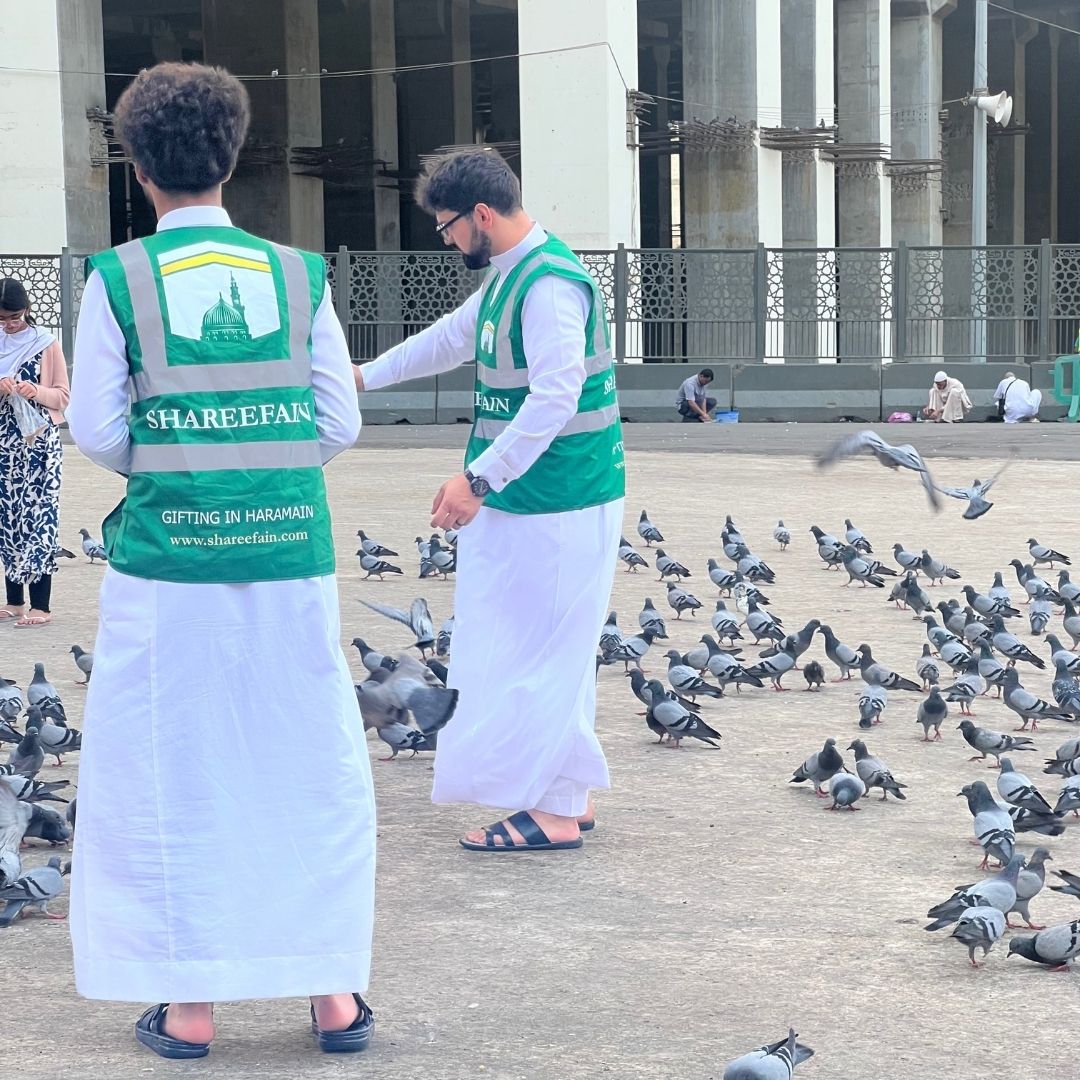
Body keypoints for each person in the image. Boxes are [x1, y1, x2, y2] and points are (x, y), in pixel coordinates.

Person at [66, 62, 375, 1060]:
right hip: (291, 558)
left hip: (168, 568)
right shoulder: (298, 275)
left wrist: (188, 457)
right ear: (231, 158)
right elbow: (337, 419)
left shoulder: (118, 280)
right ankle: (333, 995)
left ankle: (190, 1006)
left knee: (173, 772)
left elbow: (100, 432)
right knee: (306, 765)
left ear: (139, 169)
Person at [355, 148, 624, 852]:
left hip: (561, 498)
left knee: (538, 654)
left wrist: (478, 480)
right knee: (537, 648)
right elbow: (450, 340)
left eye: (448, 228)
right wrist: (363, 378)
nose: (446, 241)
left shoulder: (549, 286)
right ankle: (568, 794)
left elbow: (557, 394)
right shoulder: (513, 278)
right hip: (536, 497)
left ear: (482, 215)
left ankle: (557, 812)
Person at [0, 277, 69, 628]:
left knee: (38, 518)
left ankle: (41, 605)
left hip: (38, 445)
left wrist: (35, 391)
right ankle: (14, 601)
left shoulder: (45, 344)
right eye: (2, 319)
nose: (9, 325)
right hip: (3, 447)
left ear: (26, 309)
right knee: (8, 518)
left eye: (13, 317)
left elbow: (63, 396)